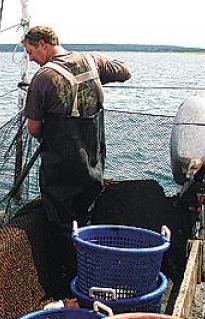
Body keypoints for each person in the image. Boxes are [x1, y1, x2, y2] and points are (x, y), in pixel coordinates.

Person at [21, 26, 131, 294]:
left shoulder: (43, 78)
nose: (31, 58)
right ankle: (92, 270)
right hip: (92, 163)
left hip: (61, 170)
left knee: (62, 226)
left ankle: (72, 286)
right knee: (86, 215)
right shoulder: (90, 61)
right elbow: (125, 71)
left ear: (44, 44)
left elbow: (33, 128)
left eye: (31, 51)